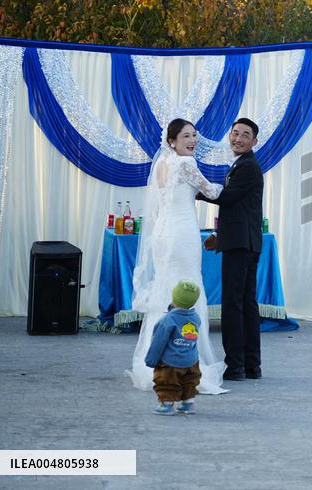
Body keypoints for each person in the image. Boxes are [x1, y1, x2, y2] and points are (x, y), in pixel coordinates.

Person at [127, 119, 226, 395]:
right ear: (172, 141)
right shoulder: (185, 164)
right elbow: (211, 191)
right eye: (186, 136)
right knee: (188, 288)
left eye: (195, 135)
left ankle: (156, 358)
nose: (193, 140)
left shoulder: (161, 165)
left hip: (163, 233)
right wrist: (230, 182)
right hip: (181, 233)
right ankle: (191, 359)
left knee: (167, 290)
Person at [201, 118, 264, 381]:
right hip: (244, 242)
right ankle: (251, 365)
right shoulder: (242, 164)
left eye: (244, 135)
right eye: (235, 133)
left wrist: (195, 188)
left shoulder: (247, 166)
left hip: (241, 245)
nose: (238, 138)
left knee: (233, 305)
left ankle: (235, 365)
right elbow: (238, 208)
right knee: (246, 304)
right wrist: (219, 236)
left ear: (254, 141)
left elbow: (227, 198)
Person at [146, 280, 203, 415]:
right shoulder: (195, 317)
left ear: (174, 298)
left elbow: (158, 342)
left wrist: (151, 360)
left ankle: (166, 404)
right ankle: (188, 404)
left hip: (170, 362)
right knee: (189, 381)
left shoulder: (168, 319)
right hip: (191, 360)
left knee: (166, 382)